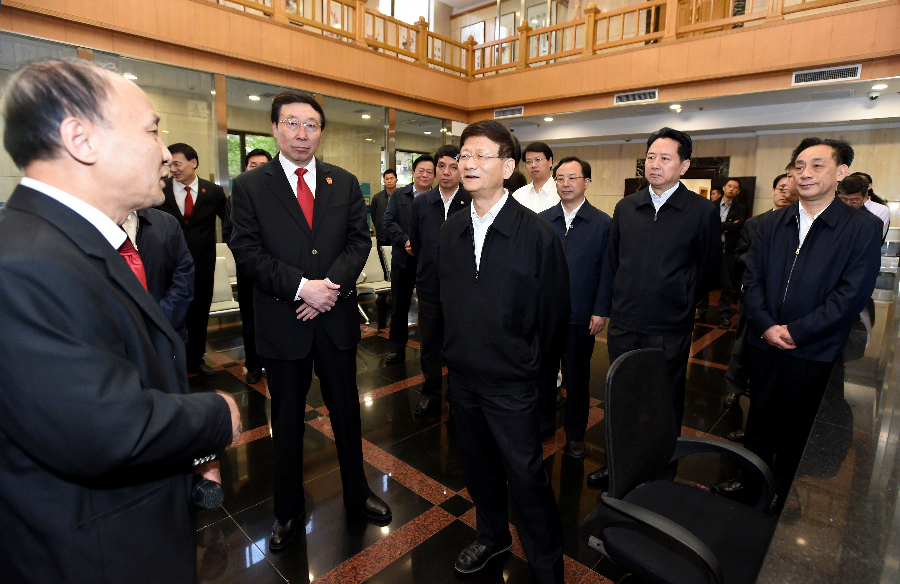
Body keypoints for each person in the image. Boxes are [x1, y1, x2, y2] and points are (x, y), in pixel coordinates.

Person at [0, 58, 241, 584]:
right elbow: (105, 430)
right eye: (152, 130)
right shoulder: (23, 265)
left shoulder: (69, 243)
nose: (165, 153)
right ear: (81, 139)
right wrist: (217, 414)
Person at [229, 90, 391, 553]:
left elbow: (359, 242)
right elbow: (247, 252)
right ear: (275, 128)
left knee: (347, 413)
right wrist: (303, 288)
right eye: (292, 123)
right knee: (286, 420)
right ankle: (287, 510)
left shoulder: (344, 182)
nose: (302, 133)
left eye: (312, 125)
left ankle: (358, 493)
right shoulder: (250, 186)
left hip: (334, 317)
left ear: (321, 132)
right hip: (284, 319)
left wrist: (328, 289)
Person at [714, 138, 881, 512]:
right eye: (799, 166)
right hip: (764, 341)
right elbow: (751, 280)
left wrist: (798, 331)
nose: (805, 173)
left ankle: (783, 490)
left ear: (840, 172)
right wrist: (766, 326)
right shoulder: (771, 223)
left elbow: (851, 294)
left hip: (814, 347)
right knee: (759, 416)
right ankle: (750, 481)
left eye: (817, 165)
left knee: (797, 425)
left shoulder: (861, 227)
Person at [439, 120, 569, 583]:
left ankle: (547, 564)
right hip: (464, 379)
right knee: (478, 469)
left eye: (481, 155)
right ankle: (492, 536)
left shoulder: (537, 234)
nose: (469, 164)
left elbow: (553, 318)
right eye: (464, 154)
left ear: (508, 167)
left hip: (514, 383)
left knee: (527, 477)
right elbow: (443, 301)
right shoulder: (452, 229)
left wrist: (536, 375)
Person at [588, 127, 720, 489]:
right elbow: (612, 262)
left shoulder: (701, 211)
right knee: (622, 396)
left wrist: (680, 297)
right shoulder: (627, 207)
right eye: (650, 157)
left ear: (684, 165)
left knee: (663, 400)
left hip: (669, 325)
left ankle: (660, 471)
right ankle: (620, 465)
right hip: (625, 322)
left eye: (665, 158)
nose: (655, 164)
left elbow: (708, 268)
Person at [539, 157, 612, 461]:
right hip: (546, 315)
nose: (565, 183)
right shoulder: (543, 220)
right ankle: (543, 426)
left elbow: (607, 270)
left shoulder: (603, 223)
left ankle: (575, 435)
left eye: (572, 178)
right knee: (543, 375)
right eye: (560, 178)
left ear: (587, 183)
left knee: (577, 379)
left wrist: (601, 309)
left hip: (582, 315)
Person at [722, 171, 798, 412]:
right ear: (773, 191)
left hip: (787, 298)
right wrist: (765, 258)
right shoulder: (755, 223)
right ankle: (734, 388)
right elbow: (739, 255)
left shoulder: (801, 224)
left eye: (788, 187)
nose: (784, 192)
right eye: (780, 188)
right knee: (743, 342)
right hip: (754, 294)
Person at [408, 144, 471, 416]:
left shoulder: (471, 201)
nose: (446, 172)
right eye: (441, 166)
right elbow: (416, 243)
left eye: (453, 167)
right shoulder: (422, 202)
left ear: (461, 170)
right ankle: (430, 394)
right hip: (430, 286)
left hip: (462, 289)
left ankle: (457, 394)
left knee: (459, 345)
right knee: (430, 344)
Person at [156, 142, 229, 376]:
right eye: (170, 164)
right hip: (168, 264)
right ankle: (170, 360)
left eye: (177, 164)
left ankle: (195, 360)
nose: (173, 169)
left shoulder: (213, 192)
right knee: (170, 312)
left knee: (199, 314)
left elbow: (229, 223)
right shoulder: (161, 189)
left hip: (202, 265)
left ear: (193, 163)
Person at [225, 148, 272, 384]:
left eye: (263, 165)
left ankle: (275, 362)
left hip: (278, 270)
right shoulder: (235, 198)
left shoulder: (282, 196)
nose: (258, 170)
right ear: (245, 168)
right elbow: (230, 234)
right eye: (253, 165)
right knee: (251, 320)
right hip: (249, 272)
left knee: (278, 320)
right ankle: (253, 365)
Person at [382, 155, 435, 363]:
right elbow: (388, 221)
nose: (425, 175)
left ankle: (433, 349)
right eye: (421, 170)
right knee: (400, 306)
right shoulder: (398, 195)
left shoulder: (438, 198)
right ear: (413, 173)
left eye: (429, 172)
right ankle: (396, 348)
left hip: (428, 261)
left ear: (434, 176)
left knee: (431, 308)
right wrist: (406, 241)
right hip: (403, 260)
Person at [122, 207, 195, 341]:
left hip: (168, 332)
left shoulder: (167, 223)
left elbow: (184, 275)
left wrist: (162, 317)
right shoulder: (93, 227)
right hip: (120, 338)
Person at [697, 178, 746, 326]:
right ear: (724, 188)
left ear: (738, 191)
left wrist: (719, 225)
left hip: (728, 251)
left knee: (727, 285)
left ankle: (724, 314)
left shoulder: (740, 208)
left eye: (735, 187)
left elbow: (738, 226)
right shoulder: (711, 205)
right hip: (710, 250)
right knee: (703, 281)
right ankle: (701, 311)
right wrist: (728, 225)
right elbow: (706, 225)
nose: (731, 189)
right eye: (729, 186)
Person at [512, 141, 559, 213]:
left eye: (538, 159)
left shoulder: (560, 192)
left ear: (550, 161)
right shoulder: (518, 195)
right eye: (529, 161)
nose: (533, 165)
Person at [850, 171, 890, 239]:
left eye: (859, 184)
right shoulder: (841, 207)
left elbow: (876, 237)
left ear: (869, 186)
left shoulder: (881, 209)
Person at [369, 168, 397, 247]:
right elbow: (374, 216)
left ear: (396, 180)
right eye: (387, 179)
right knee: (382, 254)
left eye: (391, 178)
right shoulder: (377, 197)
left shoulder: (402, 196)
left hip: (399, 235)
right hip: (383, 236)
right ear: (384, 181)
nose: (389, 181)